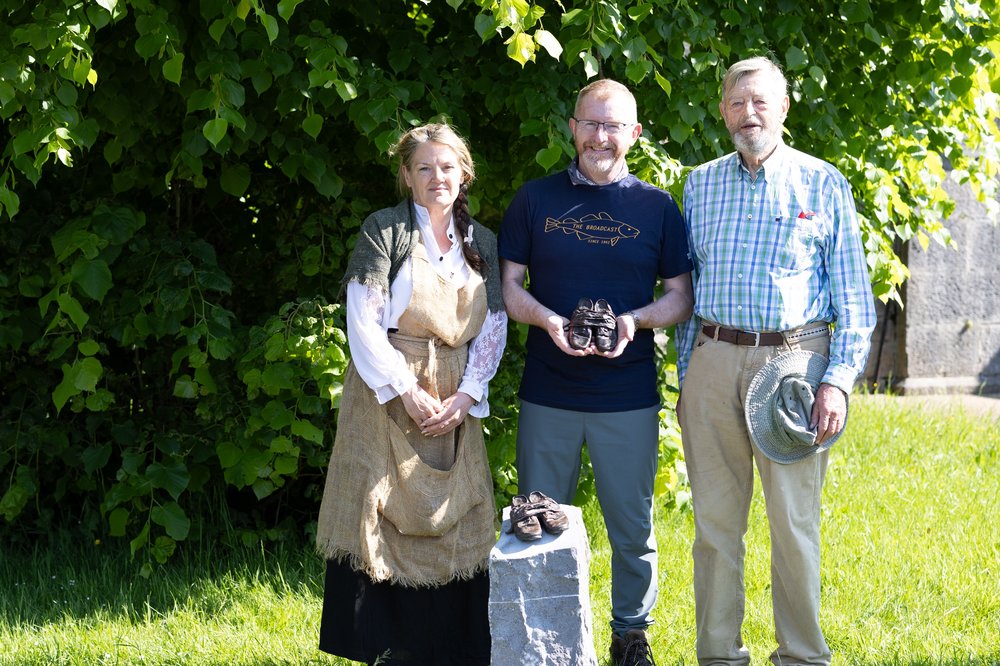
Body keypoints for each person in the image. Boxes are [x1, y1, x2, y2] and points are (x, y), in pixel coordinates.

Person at [676, 56, 877, 666]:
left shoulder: (823, 183)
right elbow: (686, 291)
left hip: (795, 366)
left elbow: (855, 303)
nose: (749, 114)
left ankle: (801, 656)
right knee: (714, 524)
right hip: (713, 360)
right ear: (722, 111)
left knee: (792, 524)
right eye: (737, 103)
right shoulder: (699, 184)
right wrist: (689, 376)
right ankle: (717, 653)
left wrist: (837, 383)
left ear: (784, 108)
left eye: (761, 101)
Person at [499, 79, 694, 666]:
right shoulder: (535, 200)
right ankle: (544, 634)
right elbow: (509, 288)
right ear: (572, 128)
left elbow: (681, 297)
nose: (600, 137)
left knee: (632, 529)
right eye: (591, 123)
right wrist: (549, 319)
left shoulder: (657, 207)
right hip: (549, 391)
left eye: (613, 126)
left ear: (634, 134)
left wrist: (634, 321)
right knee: (536, 518)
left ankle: (630, 636)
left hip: (627, 393)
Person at [315, 123, 507, 666]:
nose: (436, 177)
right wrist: (404, 388)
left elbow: (494, 327)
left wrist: (467, 395)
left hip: (453, 396)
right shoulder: (385, 230)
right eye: (423, 168)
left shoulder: (483, 243)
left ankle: (448, 647)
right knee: (378, 509)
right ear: (406, 176)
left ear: (463, 174)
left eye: (446, 167)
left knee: (454, 513)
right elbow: (363, 321)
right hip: (385, 393)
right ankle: (386, 646)